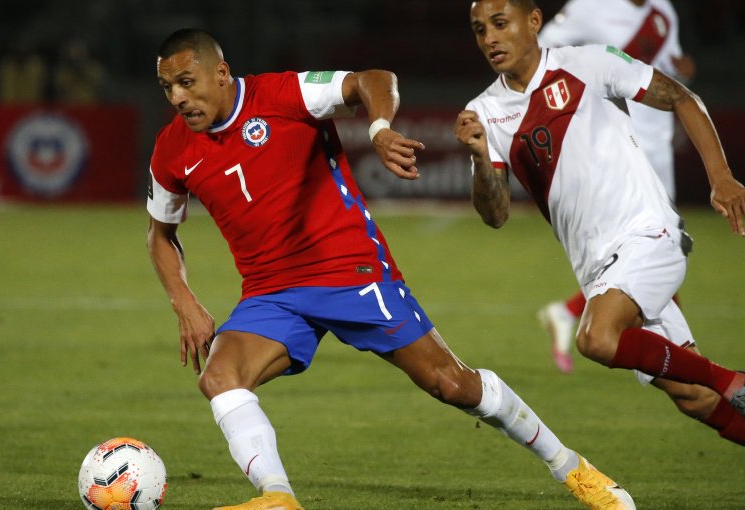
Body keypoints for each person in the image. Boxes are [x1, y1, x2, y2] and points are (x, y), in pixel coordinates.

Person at [147, 28, 634, 510]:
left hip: (349, 270)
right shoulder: (171, 149)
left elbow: (372, 79)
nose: (178, 97)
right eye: (169, 88)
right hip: (271, 291)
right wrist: (183, 301)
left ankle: (572, 467)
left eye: (188, 82)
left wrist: (378, 130)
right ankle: (278, 497)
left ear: (222, 73)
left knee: (452, 383)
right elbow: (160, 234)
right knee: (219, 377)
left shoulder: (282, 94)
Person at [454, 0, 745, 459]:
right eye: (479, 29)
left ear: (533, 22)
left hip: (648, 235)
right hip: (598, 268)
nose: (489, 38)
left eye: (500, 24)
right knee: (695, 397)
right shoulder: (484, 111)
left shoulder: (590, 63)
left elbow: (683, 97)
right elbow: (495, 214)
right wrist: (477, 154)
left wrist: (720, 177)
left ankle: (737, 382)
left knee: (596, 338)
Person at [535, 0, 695, 374]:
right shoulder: (590, 6)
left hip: (658, 138)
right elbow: (542, 47)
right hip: (621, 142)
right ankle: (680, 357)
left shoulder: (664, 10)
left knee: (661, 247)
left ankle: (572, 312)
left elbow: (667, 67)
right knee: (660, 244)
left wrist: (682, 69)